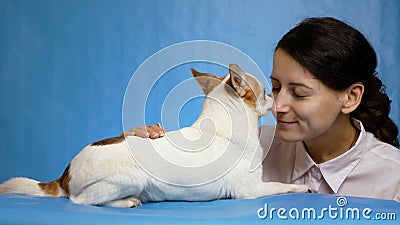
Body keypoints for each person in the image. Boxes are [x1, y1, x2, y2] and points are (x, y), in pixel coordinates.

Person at [125, 17, 400, 201]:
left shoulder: (393, 179)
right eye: (276, 87)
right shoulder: (245, 147)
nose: (277, 106)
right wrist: (149, 153)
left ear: (350, 97)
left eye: (300, 93)